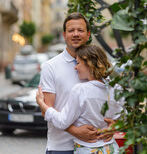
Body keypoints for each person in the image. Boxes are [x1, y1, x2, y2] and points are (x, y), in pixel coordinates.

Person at [39, 12, 116, 154]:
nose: (75, 34)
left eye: (80, 30)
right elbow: (46, 109)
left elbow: (115, 103)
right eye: (71, 30)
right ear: (64, 35)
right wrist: (76, 131)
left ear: (88, 35)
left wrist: (114, 126)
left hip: (96, 146)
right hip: (62, 146)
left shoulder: (99, 66)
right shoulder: (51, 66)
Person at [37, 44, 124, 154]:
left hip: (88, 150)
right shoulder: (117, 89)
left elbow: (62, 122)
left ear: (89, 64)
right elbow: (125, 116)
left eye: (78, 63)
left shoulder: (80, 90)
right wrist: (115, 124)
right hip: (112, 149)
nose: (75, 67)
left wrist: (41, 103)